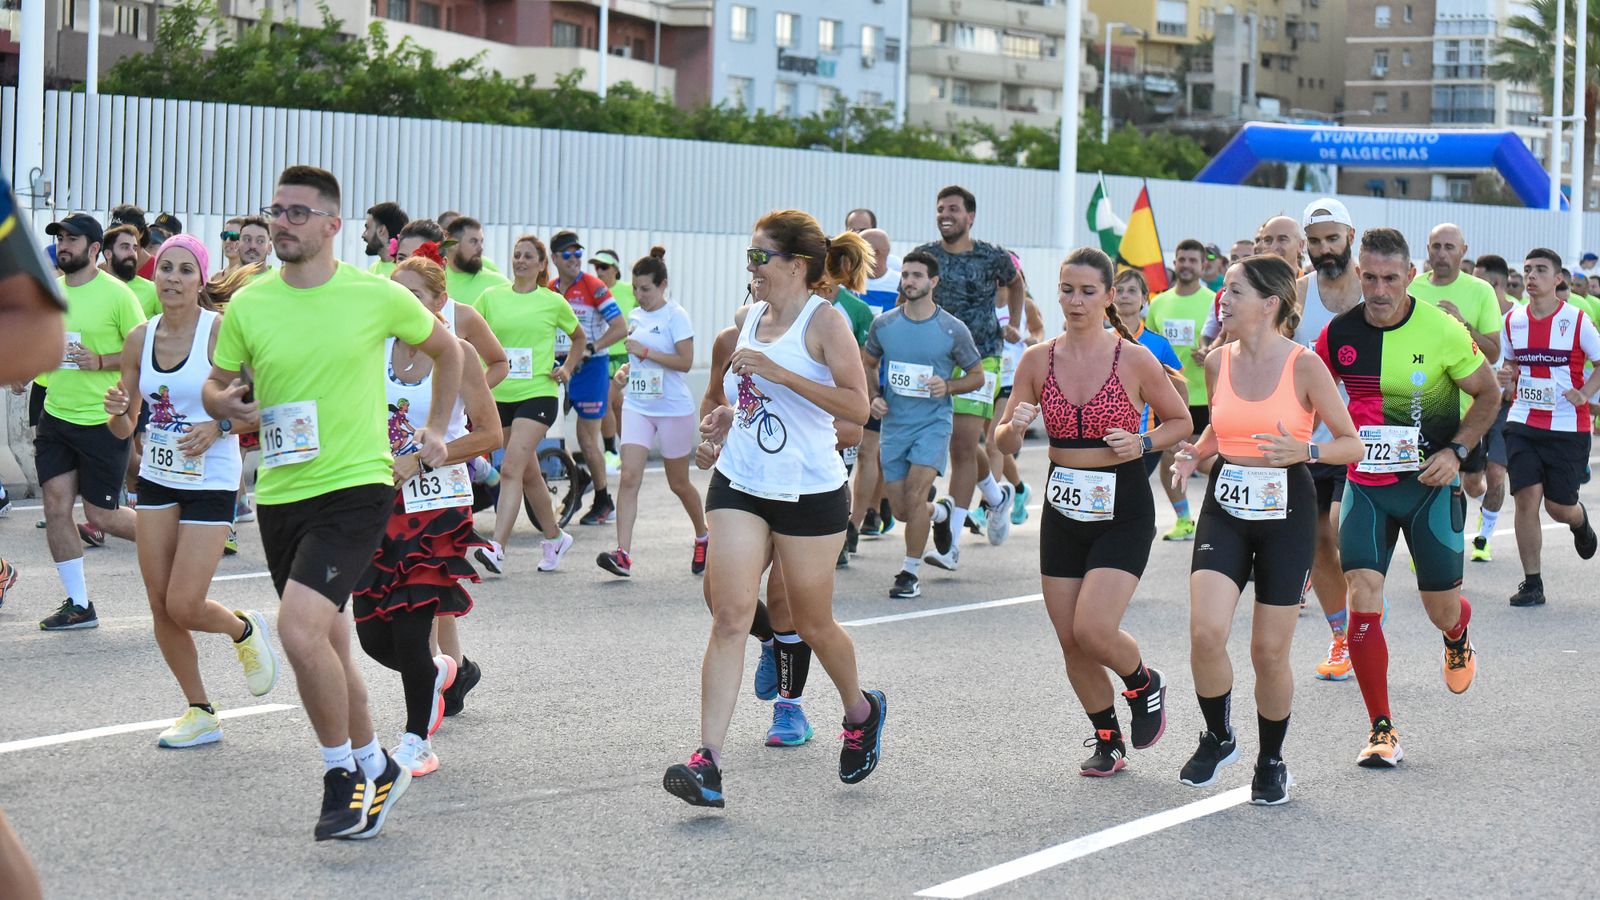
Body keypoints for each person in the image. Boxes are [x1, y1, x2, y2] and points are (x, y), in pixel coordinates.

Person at [204, 165, 463, 840]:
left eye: (297, 213)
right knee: (331, 641)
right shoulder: (252, 303)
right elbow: (217, 383)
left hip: (356, 488)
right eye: (276, 210)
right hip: (282, 490)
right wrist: (221, 402)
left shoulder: (372, 295)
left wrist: (436, 428)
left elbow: (450, 350)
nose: (281, 223)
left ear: (331, 225)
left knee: (295, 630)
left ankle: (341, 776)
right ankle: (376, 764)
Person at [663, 211, 884, 807]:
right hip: (742, 480)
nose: (751, 265)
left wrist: (781, 372)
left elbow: (857, 410)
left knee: (811, 623)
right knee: (729, 614)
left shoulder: (826, 321)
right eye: (750, 255)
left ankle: (861, 710)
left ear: (796, 264)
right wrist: (723, 423)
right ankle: (706, 760)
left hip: (809, 489)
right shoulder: (747, 320)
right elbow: (750, 400)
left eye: (761, 256)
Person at [1171, 255, 1361, 805]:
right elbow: (1221, 429)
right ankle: (1218, 734)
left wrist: (1307, 450)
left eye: (1233, 291)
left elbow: (1350, 442)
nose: (1221, 300)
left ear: (1269, 303)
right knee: (1206, 632)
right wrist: (1193, 455)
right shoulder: (1216, 362)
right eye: (1222, 291)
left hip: (1287, 508)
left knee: (1267, 652)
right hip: (1227, 502)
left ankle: (1271, 759)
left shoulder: (1304, 366)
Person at [996, 247, 1190, 777]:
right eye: (1066, 290)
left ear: (1110, 297)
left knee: (1095, 629)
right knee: (1069, 638)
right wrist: (1014, 427)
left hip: (1121, 501)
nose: (1075, 301)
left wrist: (1144, 441)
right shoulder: (1038, 359)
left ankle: (1144, 682)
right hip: (1063, 505)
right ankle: (1108, 739)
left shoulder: (1133, 358)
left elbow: (1179, 421)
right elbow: (1004, 440)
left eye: (1087, 292)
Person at [1316, 227, 1501, 769]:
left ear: (1410, 277)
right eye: (1368, 277)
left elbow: (1488, 394)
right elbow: (1306, 390)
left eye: (1389, 278)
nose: (1377, 289)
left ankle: (1457, 631)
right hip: (1367, 486)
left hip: (1429, 488)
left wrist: (1458, 451)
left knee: (1439, 608)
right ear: (1357, 275)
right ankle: (1381, 729)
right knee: (1363, 592)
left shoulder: (1442, 329)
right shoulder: (1337, 335)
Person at [102, 235, 280, 747]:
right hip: (158, 476)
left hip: (212, 480)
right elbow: (124, 429)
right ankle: (200, 711)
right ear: (153, 277)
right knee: (160, 605)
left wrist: (220, 429)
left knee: (185, 603)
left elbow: (264, 402)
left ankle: (242, 629)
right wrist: (117, 413)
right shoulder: (139, 337)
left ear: (201, 280)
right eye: (165, 270)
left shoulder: (220, 332)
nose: (172, 279)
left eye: (184, 271)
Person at [351, 251, 502, 777]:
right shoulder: (374, 350)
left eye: (414, 295)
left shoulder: (455, 352)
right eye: (396, 293)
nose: (402, 303)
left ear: (440, 302)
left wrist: (426, 455)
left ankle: (417, 740)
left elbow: (489, 433)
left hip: (436, 508)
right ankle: (440, 673)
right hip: (377, 502)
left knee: (413, 628)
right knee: (373, 635)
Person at [36, 213, 143, 631]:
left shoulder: (117, 295)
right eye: (60, 238)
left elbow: (142, 349)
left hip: (104, 419)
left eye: (72, 239)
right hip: (57, 416)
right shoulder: (52, 292)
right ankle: (79, 604)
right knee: (55, 505)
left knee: (102, 516)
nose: (64, 245)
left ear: (95, 249)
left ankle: (169, 544)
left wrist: (100, 361)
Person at [862, 250, 983, 594]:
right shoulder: (884, 325)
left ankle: (909, 573)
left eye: (917, 275)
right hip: (895, 425)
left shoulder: (951, 328)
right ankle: (940, 513)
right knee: (901, 510)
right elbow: (868, 362)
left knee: (914, 496)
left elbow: (976, 376)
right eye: (906, 275)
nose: (909, 281)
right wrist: (874, 396)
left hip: (933, 424)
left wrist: (949, 386)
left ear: (933, 282)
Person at [913, 185, 1023, 553]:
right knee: (953, 441)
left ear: (970, 216)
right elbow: (908, 296)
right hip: (935, 359)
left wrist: (1014, 324)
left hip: (982, 357)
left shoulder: (992, 256)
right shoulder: (926, 256)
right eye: (941, 208)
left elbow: (1015, 282)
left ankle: (950, 546)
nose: (946, 214)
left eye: (954, 209)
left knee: (963, 446)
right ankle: (995, 496)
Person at [596, 247, 708, 577]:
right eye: (635, 289)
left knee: (679, 483)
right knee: (629, 477)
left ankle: (703, 534)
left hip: (672, 408)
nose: (639, 295)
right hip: (638, 405)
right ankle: (623, 554)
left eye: (646, 289)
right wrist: (626, 372)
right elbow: (640, 360)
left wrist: (646, 350)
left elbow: (685, 363)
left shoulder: (676, 315)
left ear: (663, 285)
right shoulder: (636, 316)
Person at [473, 235, 581, 576]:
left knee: (510, 469)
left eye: (528, 256)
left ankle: (497, 548)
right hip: (499, 395)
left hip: (539, 394)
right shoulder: (491, 298)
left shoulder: (552, 302)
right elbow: (468, 331)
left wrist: (566, 368)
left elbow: (579, 337)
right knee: (530, 474)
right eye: (516, 255)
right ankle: (554, 537)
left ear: (540, 264)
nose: (520, 260)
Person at [1501, 249, 1600, 607]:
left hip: (1567, 425)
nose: (1531, 276)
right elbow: (1510, 365)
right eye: (1527, 269)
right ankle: (1533, 583)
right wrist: (1506, 379)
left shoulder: (1575, 320)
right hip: (1523, 421)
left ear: (1558, 278)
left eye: (1540, 270)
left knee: (1559, 506)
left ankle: (1579, 521)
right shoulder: (1513, 320)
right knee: (1526, 499)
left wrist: (1586, 393)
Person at [1296, 199, 1366, 682]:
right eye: (1316, 241)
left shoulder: (1376, 287)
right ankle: (1342, 635)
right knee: (1318, 543)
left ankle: (1364, 630)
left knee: (1342, 531)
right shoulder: (1297, 293)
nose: (1325, 249)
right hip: (1307, 438)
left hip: (1362, 438)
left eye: (1332, 238)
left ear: (1350, 236)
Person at [549, 230, 628, 525]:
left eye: (578, 253)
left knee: (587, 438)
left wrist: (591, 347)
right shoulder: (551, 287)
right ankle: (578, 476)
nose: (574, 259)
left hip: (591, 367)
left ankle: (603, 499)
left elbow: (620, 327)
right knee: (544, 428)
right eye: (567, 254)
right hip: (557, 366)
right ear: (555, 259)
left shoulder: (593, 286)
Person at [1148, 238, 1215, 540]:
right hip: (1168, 398)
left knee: (1208, 461)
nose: (1186, 265)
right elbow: (1147, 345)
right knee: (1168, 462)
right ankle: (1185, 519)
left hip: (1206, 395)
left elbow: (1230, 340)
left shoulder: (1214, 301)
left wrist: (1211, 352)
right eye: (1181, 259)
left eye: (1192, 260)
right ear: (1174, 262)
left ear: (1203, 265)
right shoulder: (1159, 303)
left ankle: (1223, 514)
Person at [1465, 254, 1517, 562]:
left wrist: (1512, 381)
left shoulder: (1518, 317)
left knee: (1496, 473)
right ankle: (1489, 504)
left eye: (1476, 279)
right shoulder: (1468, 313)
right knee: (1473, 483)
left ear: (1494, 283)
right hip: (1471, 404)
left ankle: (1484, 537)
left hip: (1504, 408)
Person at [1110, 269, 1186, 479]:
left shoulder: (1159, 344)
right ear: (1111, 296)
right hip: (1104, 438)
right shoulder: (1098, 340)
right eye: (1120, 290)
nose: (1125, 296)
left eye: (1132, 291)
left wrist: (1177, 432)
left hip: (1144, 439)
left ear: (1144, 299)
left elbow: (1180, 388)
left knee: (1130, 494)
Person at [987, 256, 1045, 527]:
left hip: (1012, 378)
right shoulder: (983, 303)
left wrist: (1029, 339)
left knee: (991, 444)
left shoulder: (1026, 306)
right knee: (998, 445)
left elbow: (1038, 332)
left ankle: (985, 506)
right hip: (986, 378)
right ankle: (1020, 490)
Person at [595, 248, 638, 476]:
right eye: (596, 267)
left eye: (603, 267)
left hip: (621, 357)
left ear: (615, 270)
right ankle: (627, 451)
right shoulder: (593, 290)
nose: (599, 271)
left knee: (605, 400)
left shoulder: (628, 291)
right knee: (616, 406)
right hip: (599, 356)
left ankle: (611, 452)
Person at [443, 216, 510, 307]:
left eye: (481, 242)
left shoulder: (498, 284)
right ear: (452, 244)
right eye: (473, 241)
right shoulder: (434, 280)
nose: (480, 248)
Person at [103, 224, 159, 316]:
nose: (132, 253)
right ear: (108, 254)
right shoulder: (94, 287)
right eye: (125, 247)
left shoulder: (151, 290)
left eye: (134, 248)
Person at [363, 201, 408, 278]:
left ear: (381, 230)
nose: (363, 234)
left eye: (367, 228)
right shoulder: (372, 269)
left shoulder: (406, 272)